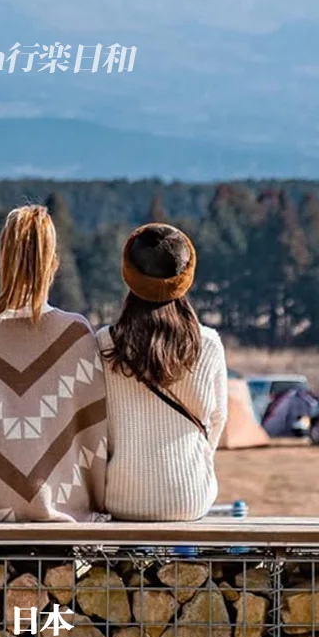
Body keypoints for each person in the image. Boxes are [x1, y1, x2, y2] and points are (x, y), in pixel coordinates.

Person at [0, 204, 106, 522]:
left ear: (1, 260)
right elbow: (94, 435)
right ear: (53, 263)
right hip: (61, 507)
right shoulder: (75, 335)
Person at [98, 222, 227, 521]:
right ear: (186, 277)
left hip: (121, 496)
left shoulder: (105, 342)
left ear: (128, 273)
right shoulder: (208, 345)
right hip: (190, 497)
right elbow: (217, 419)